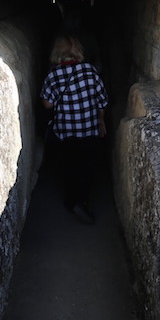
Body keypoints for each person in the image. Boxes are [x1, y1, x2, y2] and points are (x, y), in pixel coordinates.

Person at [40, 35, 108, 224]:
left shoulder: (53, 75)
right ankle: (83, 200)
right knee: (87, 165)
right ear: (78, 51)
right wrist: (101, 121)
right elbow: (102, 98)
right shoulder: (90, 71)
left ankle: (71, 201)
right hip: (89, 128)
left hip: (66, 130)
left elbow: (47, 104)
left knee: (70, 165)